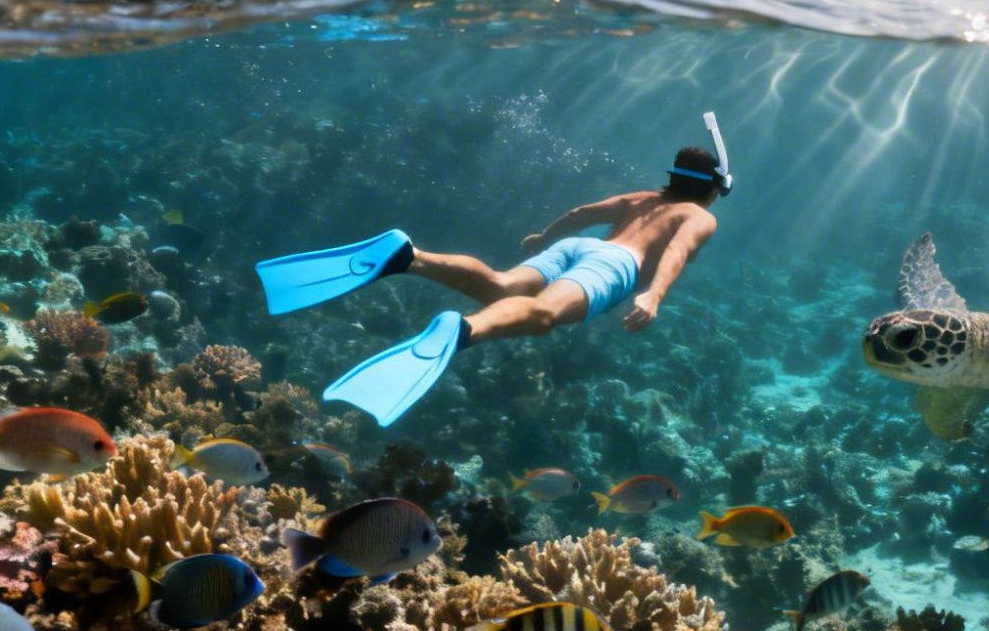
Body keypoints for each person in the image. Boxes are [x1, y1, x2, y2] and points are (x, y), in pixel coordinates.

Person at [257, 116, 733, 425]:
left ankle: (409, 257)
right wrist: (653, 296)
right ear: (714, 189)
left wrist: (545, 238)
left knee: (502, 286)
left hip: (579, 246)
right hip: (616, 267)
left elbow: (582, 212)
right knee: (543, 316)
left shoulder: (640, 198)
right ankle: (462, 332)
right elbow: (676, 253)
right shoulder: (700, 216)